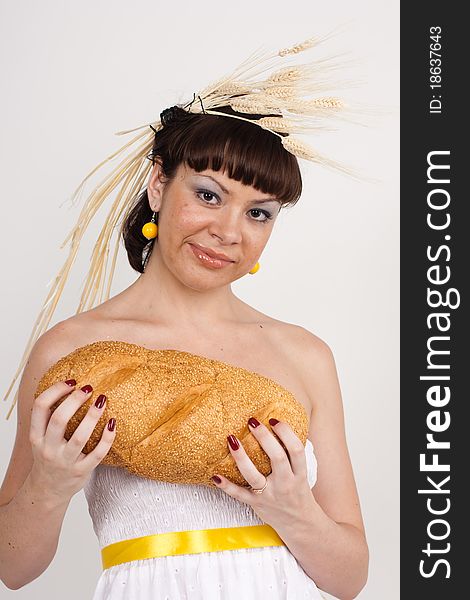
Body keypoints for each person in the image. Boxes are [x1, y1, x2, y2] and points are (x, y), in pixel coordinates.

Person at [0, 33, 369, 599]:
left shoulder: (303, 354)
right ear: (157, 184)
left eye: (259, 213)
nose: (229, 232)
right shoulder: (73, 353)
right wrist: (49, 487)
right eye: (208, 194)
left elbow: (350, 578)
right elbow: (13, 569)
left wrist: (296, 511)